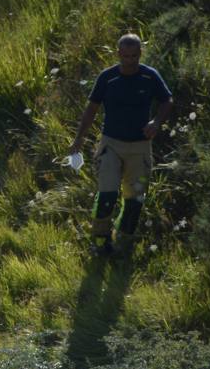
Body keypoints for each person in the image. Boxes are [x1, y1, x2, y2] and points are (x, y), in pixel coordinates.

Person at [67, 33, 174, 259]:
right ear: (118, 54)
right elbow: (91, 109)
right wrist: (79, 139)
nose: (129, 61)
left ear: (139, 54)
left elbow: (167, 100)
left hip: (140, 147)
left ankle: (123, 243)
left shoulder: (149, 76)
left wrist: (156, 121)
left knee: (135, 200)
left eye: (134, 56)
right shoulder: (108, 78)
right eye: (125, 56)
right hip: (111, 144)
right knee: (107, 195)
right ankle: (100, 241)